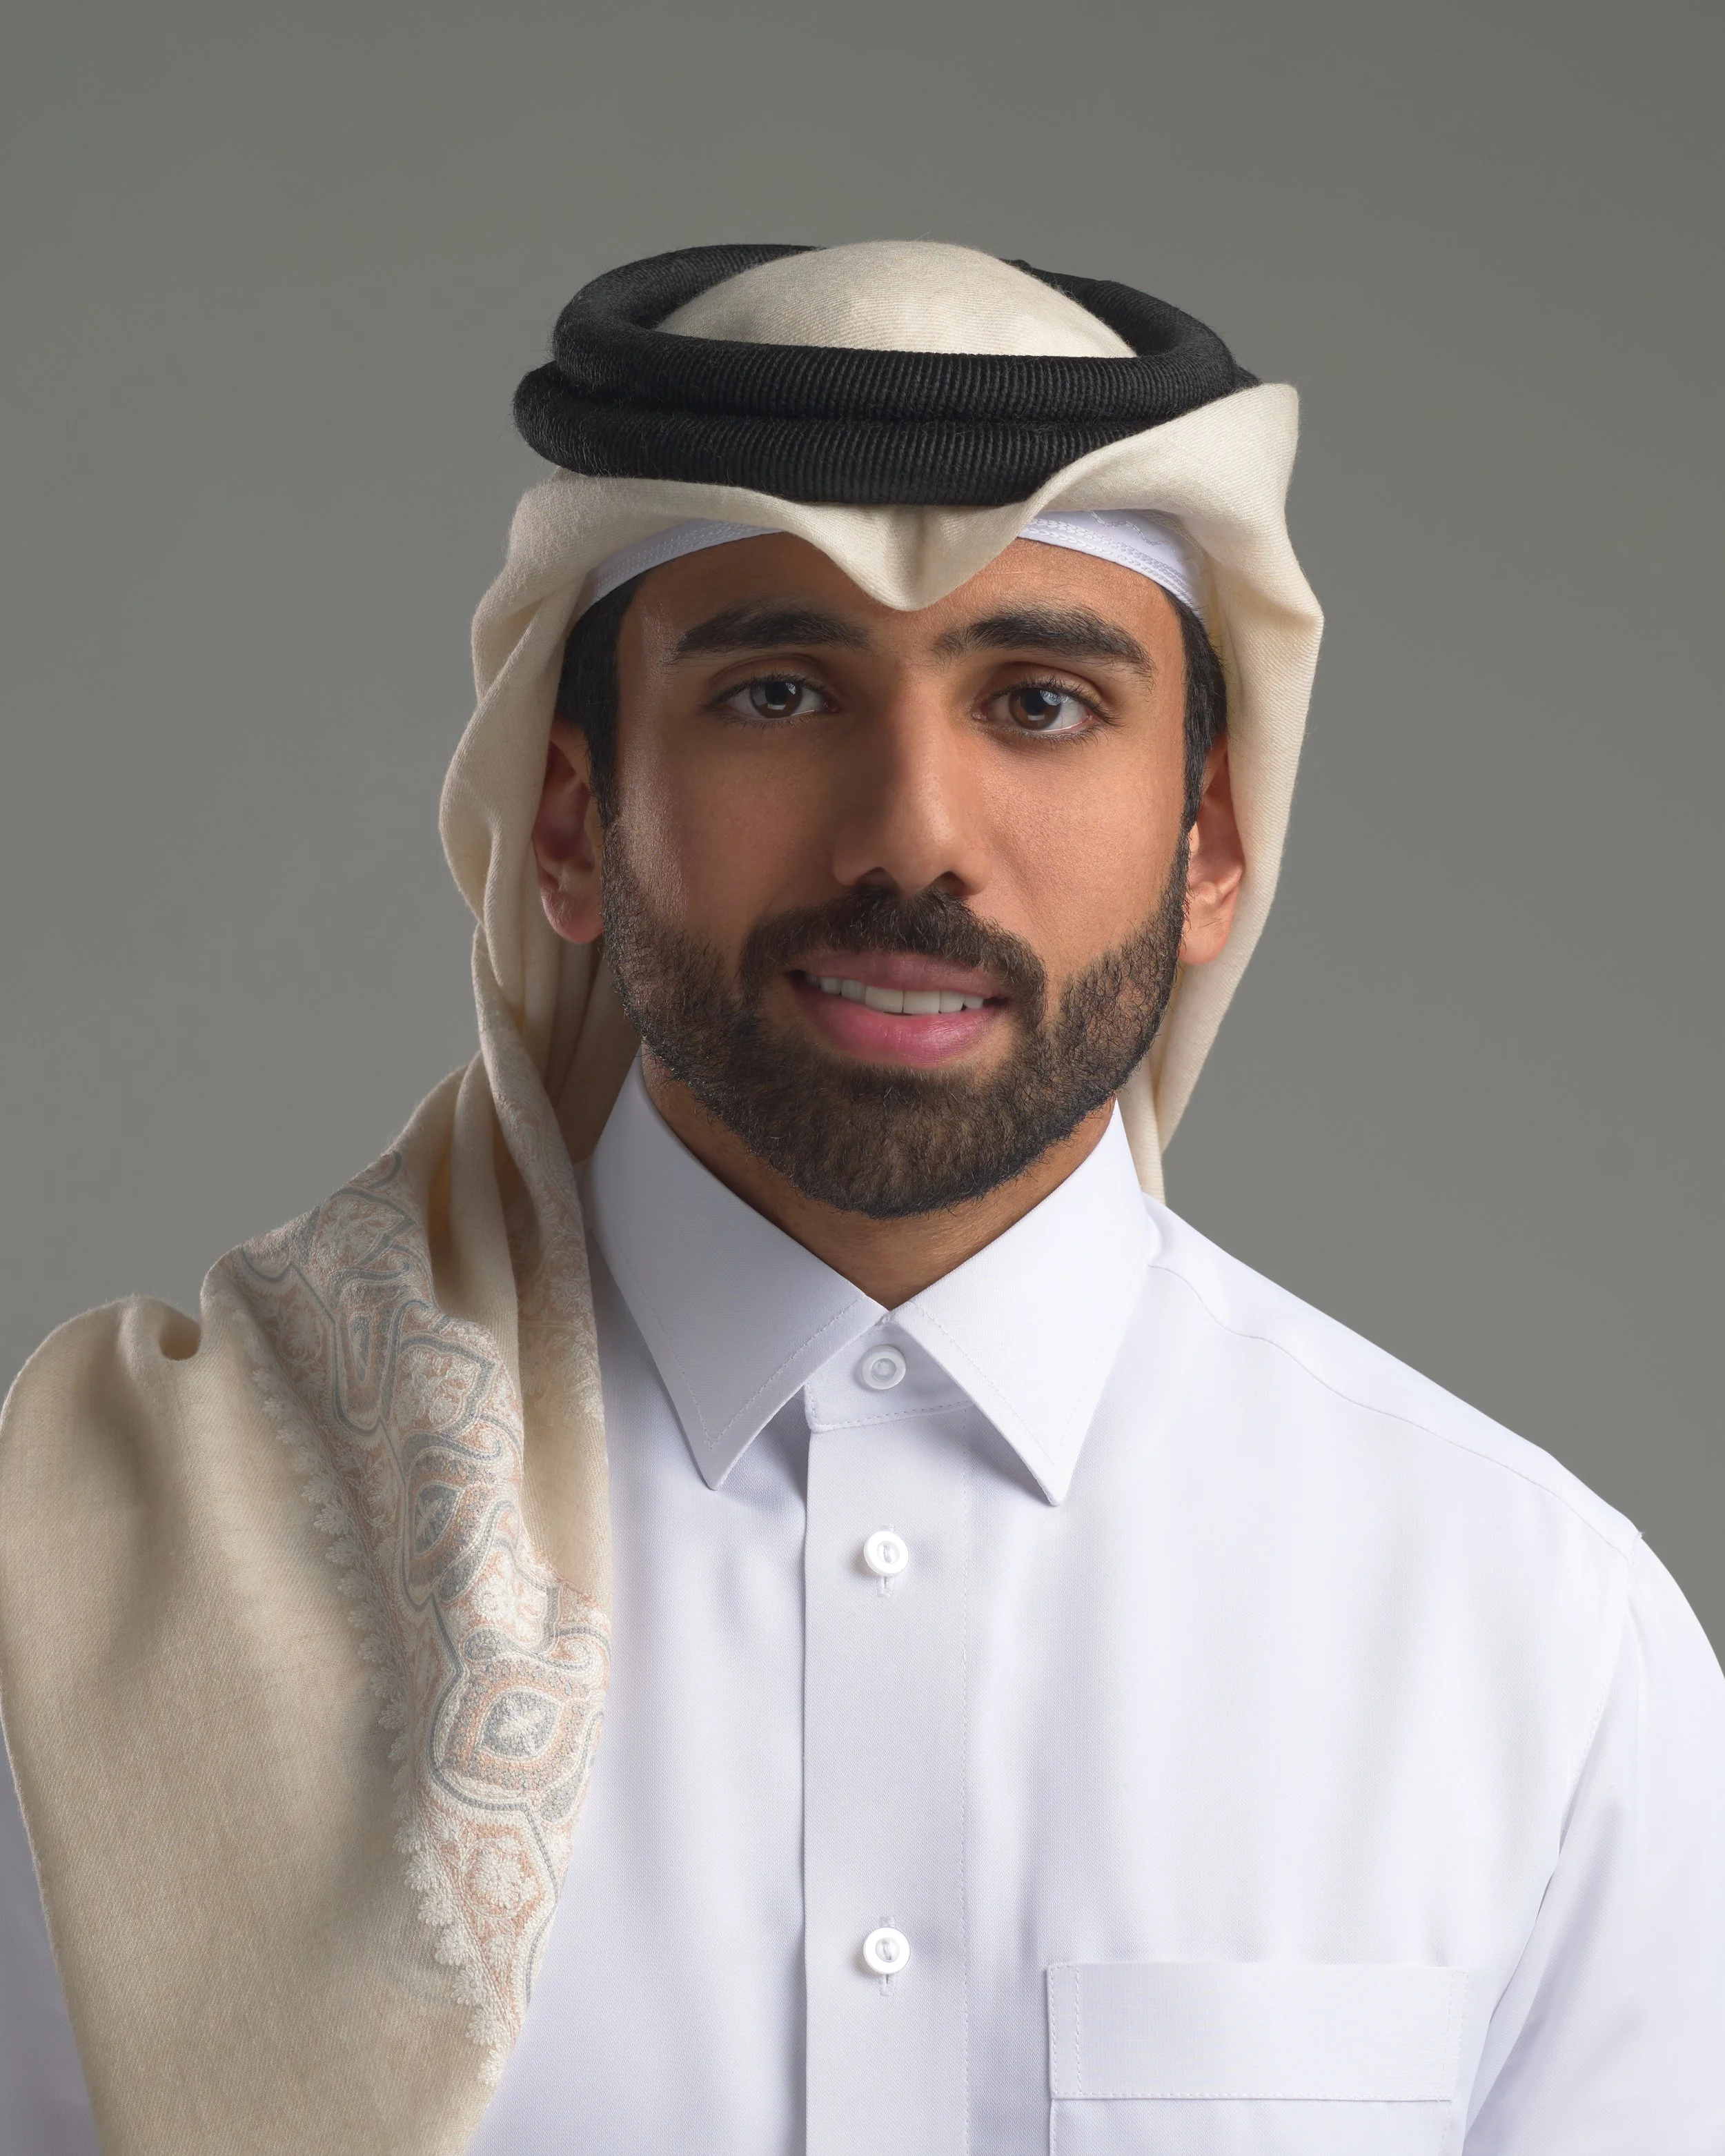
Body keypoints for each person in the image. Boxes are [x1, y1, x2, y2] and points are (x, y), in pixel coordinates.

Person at [1, 240, 1719, 2156]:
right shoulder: (111, 1585)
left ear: (1213, 839)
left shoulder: (1532, 1637)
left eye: (1041, 703)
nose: (911, 833)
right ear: (569, 821)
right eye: (778, 691)